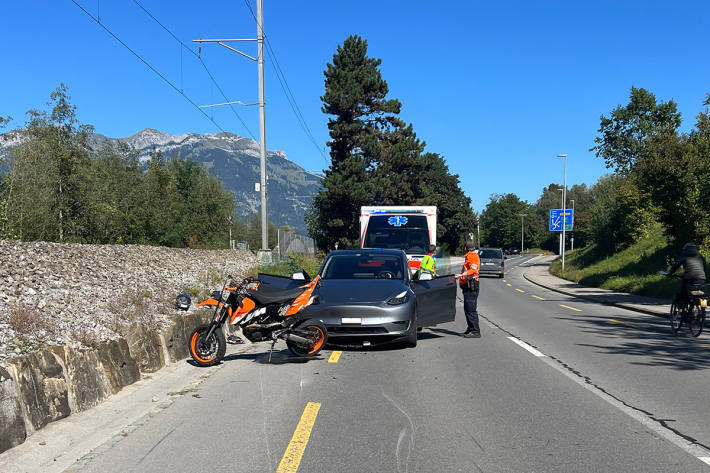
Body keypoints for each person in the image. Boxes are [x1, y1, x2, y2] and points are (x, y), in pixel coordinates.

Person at [668, 242, 707, 307]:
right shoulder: (700, 257)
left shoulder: (684, 257)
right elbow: (704, 266)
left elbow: (676, 266)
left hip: (689, 278)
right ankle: (702, 307)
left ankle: (682, 309)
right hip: (702, 278)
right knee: (701, 294)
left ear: (686, 249)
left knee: (683, 293)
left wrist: (670, 273)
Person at [456, 240, 481, 338]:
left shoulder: (472, 256)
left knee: (470, 309)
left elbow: (473, 269)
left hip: (471, 285)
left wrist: (462, 274)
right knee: (467, 308)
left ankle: (475, 331)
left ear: (466, 248)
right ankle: (470, 328)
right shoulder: (469, 256)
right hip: (468, 285)